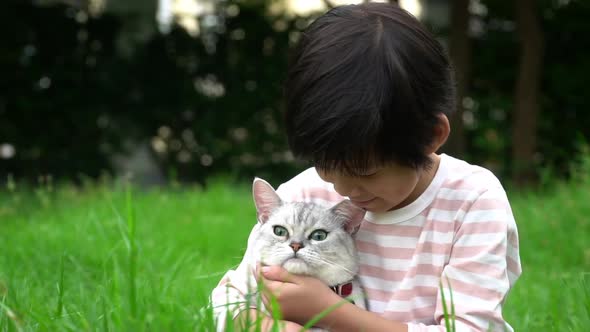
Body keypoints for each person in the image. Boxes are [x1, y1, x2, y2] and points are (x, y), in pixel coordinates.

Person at [210, 2, 521, 331]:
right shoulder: (300, 198)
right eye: (326, 166)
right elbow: (226, 302)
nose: (342, 190)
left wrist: (330, 311)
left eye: (365, 172)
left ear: (432, 136)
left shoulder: (472, 202)